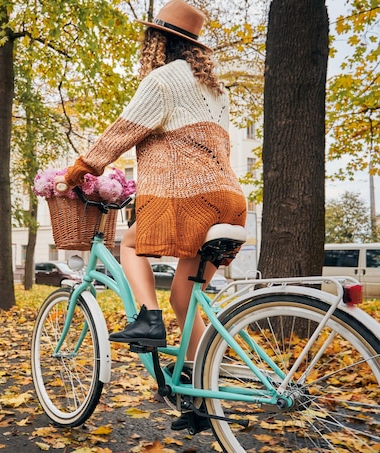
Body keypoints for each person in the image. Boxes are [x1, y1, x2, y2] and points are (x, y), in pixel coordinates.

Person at [55, 0, 246, 427]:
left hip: (188, 194)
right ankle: (201, 401)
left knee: (130, 243)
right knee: (185, 297)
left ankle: (147, 321)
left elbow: (119, 135)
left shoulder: (162, 80)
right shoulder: (217, 90)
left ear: (158, 39)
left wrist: (75, 174)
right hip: (229, 201)